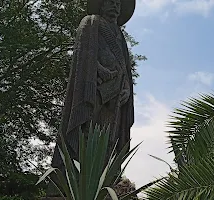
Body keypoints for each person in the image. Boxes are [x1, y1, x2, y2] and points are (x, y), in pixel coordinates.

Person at [48, 0, 135, 196]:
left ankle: (106, 184)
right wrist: (100, 74)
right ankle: (75, 183)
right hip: (94, 92)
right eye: (110, 2)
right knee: (86, 135)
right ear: (101, 5)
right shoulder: (91, 23)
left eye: (118, 4)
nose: (115, 6)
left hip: (116, 101)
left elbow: (125, 71)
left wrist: (126, 90)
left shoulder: (120, 36)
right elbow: (84, 57)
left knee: (111, 141)